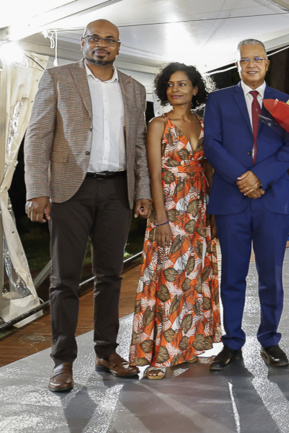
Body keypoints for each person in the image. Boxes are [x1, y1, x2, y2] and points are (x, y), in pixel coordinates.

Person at [23, 19, 151, 392]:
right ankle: (62, 361)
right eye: (95, 38)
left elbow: (140, 145)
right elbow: (38, 136)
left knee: (111, 276)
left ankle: (107, 352)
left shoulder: (134, 88)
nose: (102, 45)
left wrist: (141, 190)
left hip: (116, 191)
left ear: (118, 47)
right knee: (64, 281)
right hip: (68, 191)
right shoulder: (58, 78)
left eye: (109, 40)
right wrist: (36, 190)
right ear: (83, 43)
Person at [203, 39, 289, 371]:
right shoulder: (217, 100)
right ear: (238, 64)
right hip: (232, 199)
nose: (252, 64)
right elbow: (211, 145)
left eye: (258, 58)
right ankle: (232, 344)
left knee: (271, 275)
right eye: (245, 60)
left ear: (267, 63)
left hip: (272, 201)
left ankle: (270, 341)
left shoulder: (286, 103)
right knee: (232, 275)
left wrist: (259, 178)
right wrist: (242, 177)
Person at [129, 63, 219, 380]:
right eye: (170, 85)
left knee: (193, 280)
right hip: (169, 209)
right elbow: (154, 174)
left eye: (182, 84)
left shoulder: (205, 124)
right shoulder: (158, 125)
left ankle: (190, 347)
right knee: (169, 282)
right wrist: (162, 218)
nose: (175, 89)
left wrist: (213, 213)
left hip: (198, 210)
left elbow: (208, 170)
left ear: (196, 89)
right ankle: (161, 357)